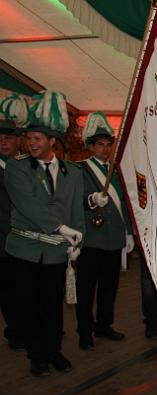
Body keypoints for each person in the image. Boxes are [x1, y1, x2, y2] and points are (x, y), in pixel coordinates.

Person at [4, 91, 84, 376]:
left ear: (52, 141)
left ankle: (54, 352)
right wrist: (62, 229)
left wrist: (78, 241)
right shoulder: (16, 168)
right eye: (29, 139)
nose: (31, 143)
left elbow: (76, 212)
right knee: (28, 306)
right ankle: (36, 356)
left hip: (56, 253)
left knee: (52, 306)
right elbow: (29, 205)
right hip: (24, 251)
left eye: (37, 138)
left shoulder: (73, 173)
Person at [74, 112, 134, 350]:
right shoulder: (80, 170)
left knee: (109, 288)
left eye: (108, 145)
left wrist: (128, 232)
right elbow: (72, 201)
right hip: (91, 238)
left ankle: (104, 325)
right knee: (86, 288)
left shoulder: (115, 171)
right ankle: (84, 330)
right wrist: (90, 200)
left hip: (113, 239)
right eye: (100, 144)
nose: (105, 149)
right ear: (91, 146)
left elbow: (125, 204)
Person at [0, 93, 28, 351]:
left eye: (9, 137)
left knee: (28, 289)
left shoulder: (28, 167)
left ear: (19, 140)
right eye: (0, 138)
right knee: (8, 292)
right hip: (3, 242)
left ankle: (30, 326)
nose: (3, 142)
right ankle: (15, 332)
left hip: (30, 241)